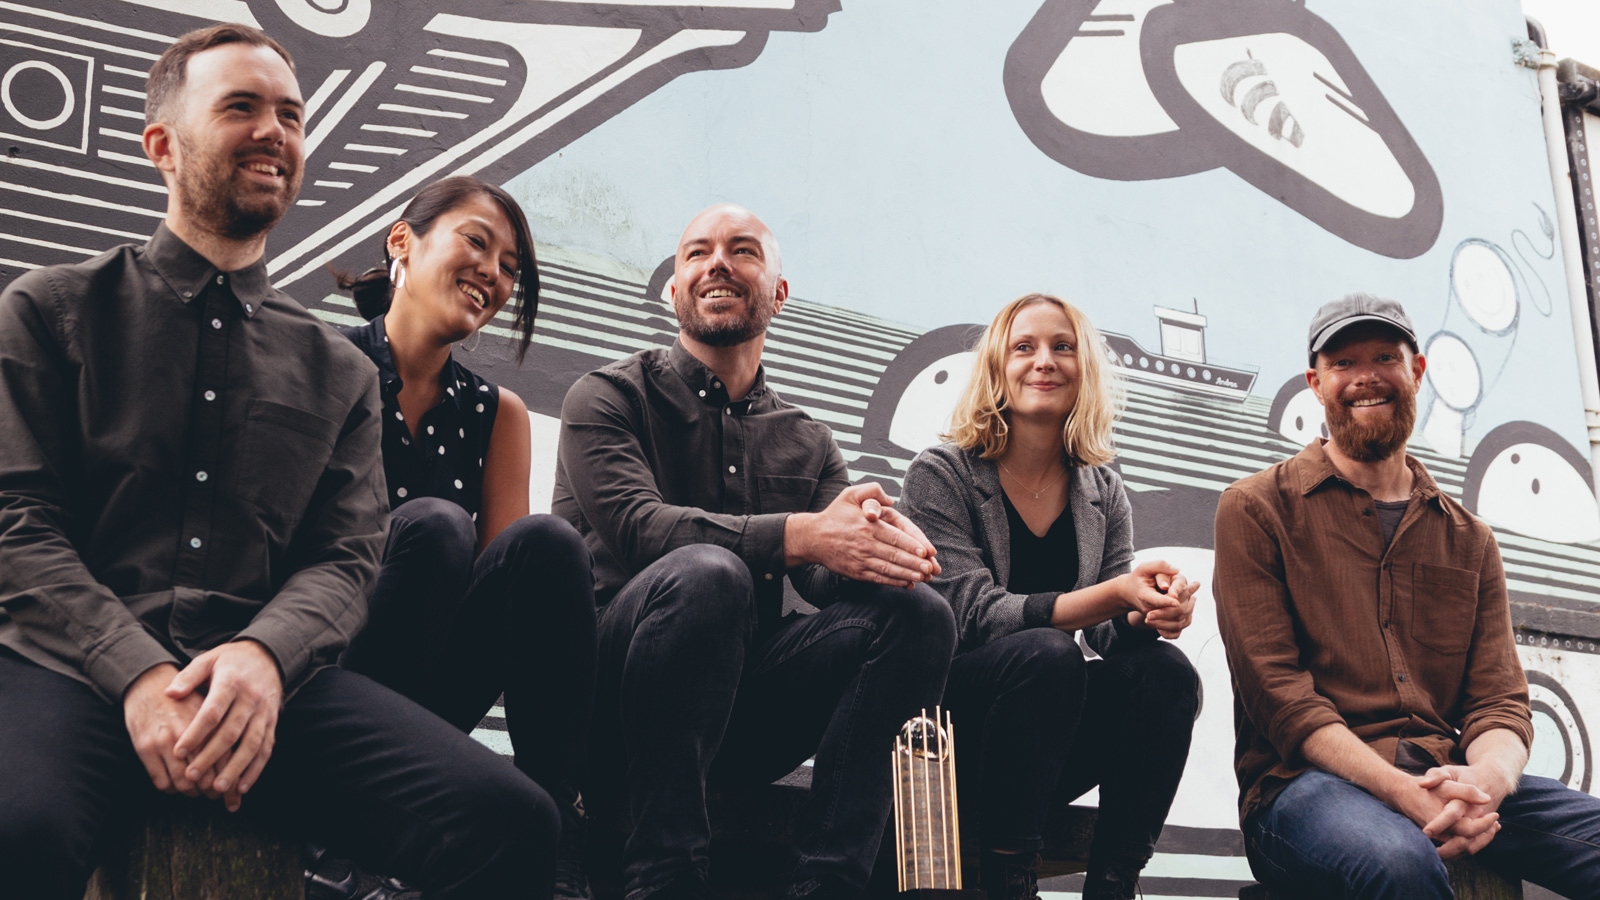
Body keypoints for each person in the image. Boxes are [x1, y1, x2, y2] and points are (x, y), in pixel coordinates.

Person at [0, 24, 557, 900]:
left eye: (292, 116)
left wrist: (265, 657)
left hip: (267, 692)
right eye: (241, 107)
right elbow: (16, 527)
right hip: (72, 673)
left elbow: (347, 556)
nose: (276, 131)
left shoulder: (337, 369)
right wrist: (138, 673)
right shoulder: (50, 310)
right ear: (162, 147)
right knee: (19, 834)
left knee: (513, 828)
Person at [553, 203, 958, 900]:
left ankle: (828, 883)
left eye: (743, 251)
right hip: (614, 712)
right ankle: (665, 877)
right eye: (697, 253)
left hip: (742, 716)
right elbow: (640, 529)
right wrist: (805, 535)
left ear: (778, 292)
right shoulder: (606, 396)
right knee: (712, 575)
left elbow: (838, 579)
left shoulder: (808, 439)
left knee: (920, 616)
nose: (717, 263)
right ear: (675, 289)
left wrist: (886, 541)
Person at [1213, 293, 1600, 900]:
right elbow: (1281, 699)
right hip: (1303, 790)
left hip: (1450, 779)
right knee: (1399, 864)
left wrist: (1487, 783)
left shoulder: (1470, 539)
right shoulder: (1257, 508)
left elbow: (1498, 700)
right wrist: (1403, 793)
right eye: (1343, 363)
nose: (1365, 377)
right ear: (1317, 384)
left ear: (1416, 371)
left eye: (1385, 357)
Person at [333, 176, 596, 896]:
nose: (494, 273)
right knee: (436, 527)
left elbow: (505, 600)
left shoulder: (497, 413)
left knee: (549, 544)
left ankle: (556, 825)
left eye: (511, 267)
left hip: (431, 698)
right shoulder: (317, 361)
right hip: (325, 677)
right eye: (476, 242)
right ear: (401, 242)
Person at [900, 293, 1202, 900]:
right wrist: (1112, 594)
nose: (1045, 361)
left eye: (1063, 347)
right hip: (953, 730)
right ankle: (1011, 879)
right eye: (1024, 347)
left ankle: (1116, 881)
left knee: (1166, 673)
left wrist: (1147, 609)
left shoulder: (1103, 490)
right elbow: (973, 617)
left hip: (1044, 728)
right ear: (996, 369)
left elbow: (1108, 634)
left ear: (1084, 370)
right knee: (1045, 653)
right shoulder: (941, 474)